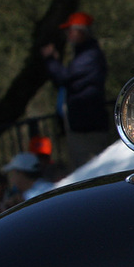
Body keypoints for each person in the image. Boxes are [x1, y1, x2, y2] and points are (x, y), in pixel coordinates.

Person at [41, 10, 112, 167]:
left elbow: (64, 77)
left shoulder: (89, 56)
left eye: (70, 31)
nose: (68, 35)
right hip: (81, 123)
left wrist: (51, 61)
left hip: (87, 125)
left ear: (80, 32)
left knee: (90, 168)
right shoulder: (84, 55)